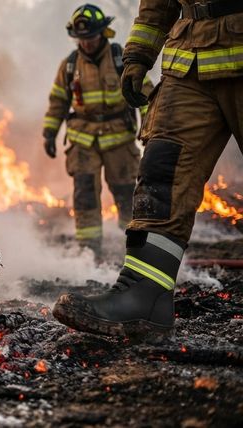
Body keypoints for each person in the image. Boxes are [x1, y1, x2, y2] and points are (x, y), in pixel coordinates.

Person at [54, 0, 243, 341]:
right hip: (189, 59)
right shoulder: (70, 66)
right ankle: (144, 295)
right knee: (161, 176)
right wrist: (139, 55)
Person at [43, 4, 153, 258]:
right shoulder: (70, 65)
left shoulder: (122, 59)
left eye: (91, 37)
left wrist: (150, 128)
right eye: (82, 38)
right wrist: (49, 132)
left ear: (103, 33)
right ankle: (89, 252)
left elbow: (146, 94)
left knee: (127, 195)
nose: (87, 43)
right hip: (83, 141)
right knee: (85, 197)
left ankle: (134, 251)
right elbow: (58, 101)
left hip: (119, 140)